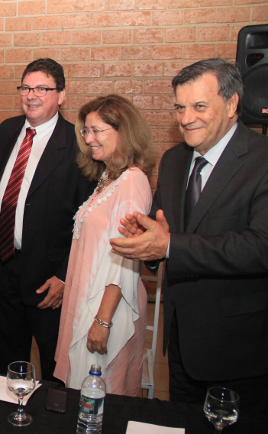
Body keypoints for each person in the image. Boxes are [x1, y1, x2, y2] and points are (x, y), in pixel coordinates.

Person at [110, 58, 268, 412]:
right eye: (180, 107)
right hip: (181, 343)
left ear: (231, 104)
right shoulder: (174, 160)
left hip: (241, 349)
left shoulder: (261, 161)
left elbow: (261, 246)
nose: (185, 118)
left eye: (199, 106)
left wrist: (169, 245)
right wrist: (146, 244)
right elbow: (164, 234)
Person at [0, 58, 95, 381]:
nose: (32, 95)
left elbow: (86, 218)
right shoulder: (7, 131)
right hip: (6, 265)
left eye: (42, 88)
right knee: (7, 357)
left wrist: (64, 275)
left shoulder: (78, 144)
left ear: (61, 95)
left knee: (53, 363)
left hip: (49, 277)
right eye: (26, 87)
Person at [53, 95, 155, 396]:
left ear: (123, 131)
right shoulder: (109, 178)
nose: (89, 139)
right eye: (86, 131)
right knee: (83, 391)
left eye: (97, 130)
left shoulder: (132, 181)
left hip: (107, 305)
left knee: (99, 395)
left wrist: (102, 321)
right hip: (88, 298)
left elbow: (126, 257)